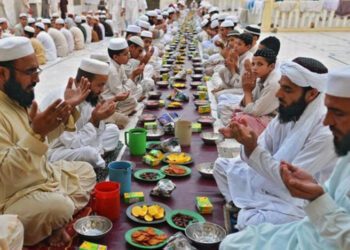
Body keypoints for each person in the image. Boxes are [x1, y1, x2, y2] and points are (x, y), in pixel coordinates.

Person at [220, 66, 350, 250]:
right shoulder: (288, 112)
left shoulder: (326, 134)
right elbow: (262, 150)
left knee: (247, 227)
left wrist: (252, 148)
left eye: (338, 113)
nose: (328, 121)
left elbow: (286, 182)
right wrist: (248, 143)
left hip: (294, 204)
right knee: (222, 167)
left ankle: (248, 208)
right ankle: (247, 206)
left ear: (312, 94)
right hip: (312, 221)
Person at [0, 37, 96, 247]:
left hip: (40, 178)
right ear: (2, 73)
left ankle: (51, 226)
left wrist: (67, 108)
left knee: (85, 170)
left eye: (37, 71)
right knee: (58, 207)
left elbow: (44, 139)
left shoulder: (18, 98)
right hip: (11, 197)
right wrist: (36, 134)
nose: (37, 79)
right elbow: (6, 176)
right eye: (30, 72)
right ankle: (51, 224)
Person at [47, 58, 125, 169]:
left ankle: (96, 156)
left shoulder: (88, 95)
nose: (102, 90)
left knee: (113, 130)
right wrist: (94, 121)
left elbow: (93, 132)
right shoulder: (63, 100)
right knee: (89, 154)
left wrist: (98, 120)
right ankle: (98, 158)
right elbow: (72, 144)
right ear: (85, 81)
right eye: (100, 85)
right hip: (58, 150)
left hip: (82, 139)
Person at [218, 48, 280, 132]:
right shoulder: (260, 77)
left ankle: (235, 130)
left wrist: (247, 91)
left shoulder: (274, 84)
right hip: (258, 113)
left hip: (271, 120)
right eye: (253, 64)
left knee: (244, 119)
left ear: (271, 66)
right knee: (225, 107)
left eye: (260, 64)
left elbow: (254, 112)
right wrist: (248, 88)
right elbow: (246, 104)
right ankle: (234, 128)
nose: (254, 68)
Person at [102, 38, 143, 128]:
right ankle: (110, 117)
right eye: (125, 54)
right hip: (108, 101)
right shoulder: (112, 70)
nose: (129, 56)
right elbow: (120, 92)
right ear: (116, 57)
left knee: (133, 100)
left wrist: (133, 77)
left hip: (117, 99)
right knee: (125, 120)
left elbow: (125, 83)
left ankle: (116, 114)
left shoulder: (120, 65)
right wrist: (133, 75)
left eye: (128, 53)